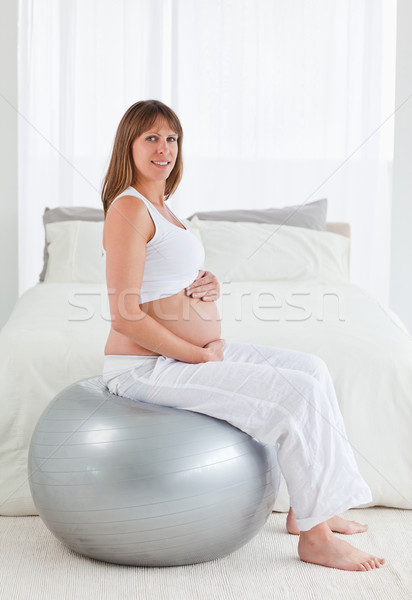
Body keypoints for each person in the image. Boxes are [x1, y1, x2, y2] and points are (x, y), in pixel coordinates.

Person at [101, 99, 385, 571]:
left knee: (312, 370)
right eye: (151, 137)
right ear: (127, 145)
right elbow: (125, 315)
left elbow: (166, 278)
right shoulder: (127, 209)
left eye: (172, 138)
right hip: (146, 367)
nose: (164, 148)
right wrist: (196, 355)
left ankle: (312, 507)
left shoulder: (165, 209)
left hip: (191, 353)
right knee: (294, 395)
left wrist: (205, 281)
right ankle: (315, 540)